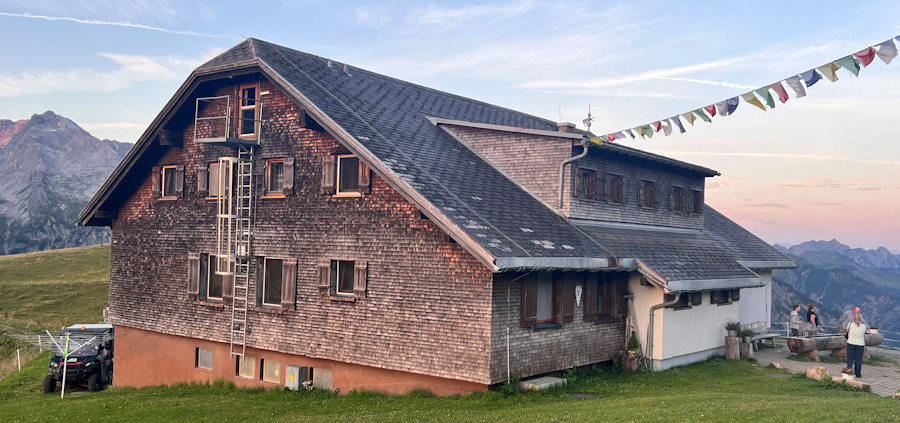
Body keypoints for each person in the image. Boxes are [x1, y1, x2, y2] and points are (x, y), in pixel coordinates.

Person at [844, 312, 868, 379]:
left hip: (851, 343)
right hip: (860, 344)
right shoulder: (863, 326)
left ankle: (849, 371)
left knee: (850, 358)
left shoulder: (850, 324)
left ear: (854, 318)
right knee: (858, 359)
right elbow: (864, 333)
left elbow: (847, 331)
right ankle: (858, 374)